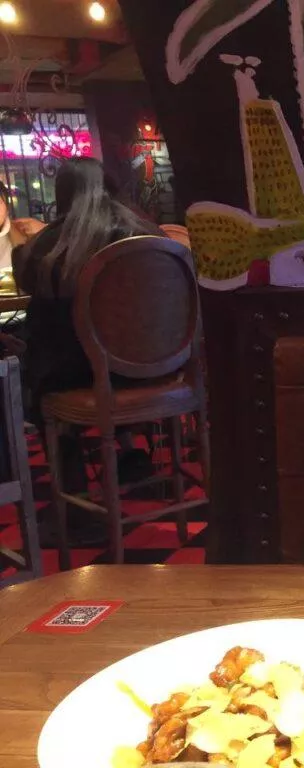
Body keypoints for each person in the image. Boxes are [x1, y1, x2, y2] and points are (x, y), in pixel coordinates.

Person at [13, 157, 161, 538]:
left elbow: (27, 280)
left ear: (61, 195)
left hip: (87, 377)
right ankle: (132, 456)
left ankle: (76, 498)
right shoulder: (144, 230)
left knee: (39, 363)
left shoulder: (52, 242)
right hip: (159, 370)